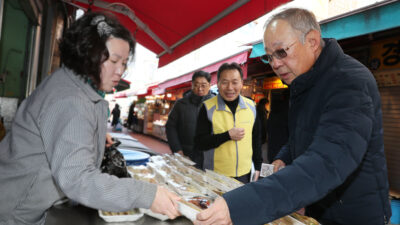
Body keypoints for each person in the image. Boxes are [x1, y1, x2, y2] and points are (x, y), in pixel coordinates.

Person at [194, 8, 391, 225]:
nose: (275, 64)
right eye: (269, 56)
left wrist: (240, 204)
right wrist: (285, 156)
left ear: (312, 41)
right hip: (320, 206)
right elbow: (306, 132)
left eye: (281, 52)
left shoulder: (350, 82)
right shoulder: (304, 82)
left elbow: (327, 161)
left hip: (355, 214)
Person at [0, 11, 180, 225]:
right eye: (114, 61)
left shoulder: (68, 82)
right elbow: (78, 180)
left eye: (123, 63)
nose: (120, 71)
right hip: (15, 211)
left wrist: (92, 132)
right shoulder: (71, 99)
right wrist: (147, 194)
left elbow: (60, 127)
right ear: (88, 54)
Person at [194, 63, 263, 183]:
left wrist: (258, 166)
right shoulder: (207, 107)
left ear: (242, 83)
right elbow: (200, 143)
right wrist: (227, 135)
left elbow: (256, 139)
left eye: (235, 82)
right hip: (216, 176)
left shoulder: (251, 106)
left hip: (244, 175)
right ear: (218, 84)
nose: (230, 88)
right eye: (225, 82)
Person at [166, 70, 214, 168]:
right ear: (191, 85)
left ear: (210, 85)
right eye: (196, 85)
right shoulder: (181, 104)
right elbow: (170, 126)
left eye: (203, 85)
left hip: (209, 157)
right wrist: (177, 150)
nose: (200, 89)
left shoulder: (216, 104)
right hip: (185, 155)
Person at [266, 90, 289, 163]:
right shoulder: (289, 109)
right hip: (284, 146)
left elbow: (268, 126)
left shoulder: (273, 111)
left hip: (273, 144)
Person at [256, 98, 269, 163]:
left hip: (261, 126)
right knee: (260, 144)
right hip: (261, 126)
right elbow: (263, 119)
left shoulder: (259, 107)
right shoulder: (261, 108)